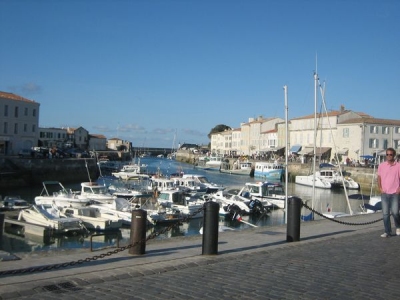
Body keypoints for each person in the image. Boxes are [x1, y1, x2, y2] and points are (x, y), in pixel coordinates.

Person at [377, 147, 400, 237]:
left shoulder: (398, 166)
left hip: (395, 193)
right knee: (385, 214)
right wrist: (380, 188)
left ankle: (398, 226)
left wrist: (399, 189)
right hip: (385, 192)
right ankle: (387, 231)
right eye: (387, 154)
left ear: (393, 155)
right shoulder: (382, 166)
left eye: (390, 154)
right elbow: (379, 177)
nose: (389, 156)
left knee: (395, 212)